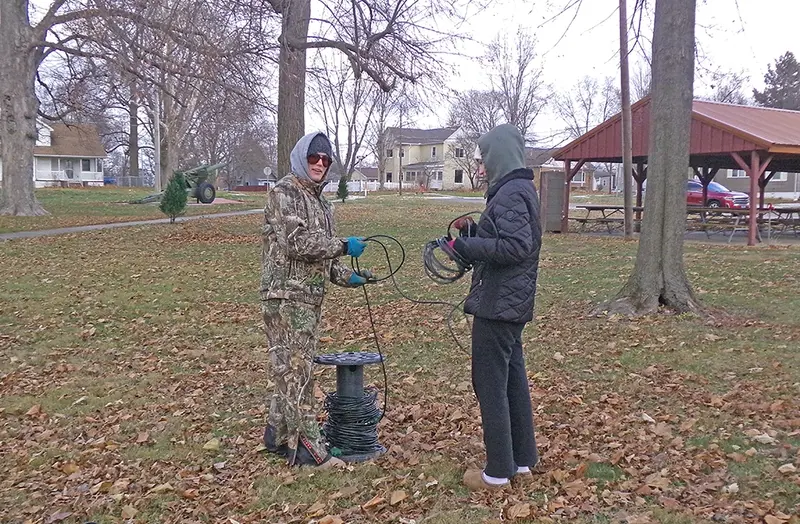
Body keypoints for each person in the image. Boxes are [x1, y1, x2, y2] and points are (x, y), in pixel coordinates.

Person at [260, 131, 371, 468]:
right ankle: (310, 449)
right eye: (313, 158)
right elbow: (297, 243)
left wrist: (348, 276)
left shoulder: (323, 204)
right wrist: (342, 245)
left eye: (325, 159)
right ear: (301, 159)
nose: (320, 164)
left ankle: (277, 435)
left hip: (309, 300)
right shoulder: (284, 193)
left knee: (288, 369)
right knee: (298, 373)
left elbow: (325, 259)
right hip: (285, 299)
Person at [448, 124, 542, 490]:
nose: (482, 165)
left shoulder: (511, 194)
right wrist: (472, 233)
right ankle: (521, 461)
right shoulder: (515, 190)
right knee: (512, 381)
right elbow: (505, 240)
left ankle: (497, 472)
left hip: (499, 304)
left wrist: (464, 249)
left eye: (486, 157)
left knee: (489, 383)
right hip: (510, 303)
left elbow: (516, 248)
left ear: (499, 156)